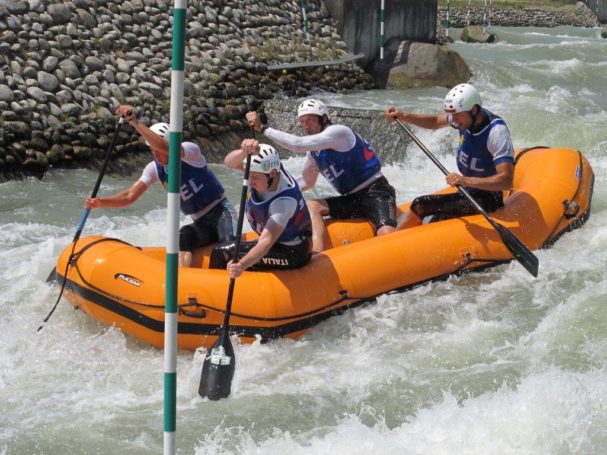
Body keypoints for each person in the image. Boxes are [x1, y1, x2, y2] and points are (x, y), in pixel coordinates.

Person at [84, 105, 236, 267]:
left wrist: (134, 122)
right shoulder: (154, 169)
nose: (155, 154)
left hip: (221, 212)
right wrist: (101, 202)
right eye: (152, 150)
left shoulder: (190, 152)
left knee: (227, 247)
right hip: (200, 222)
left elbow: (166, 148)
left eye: (157, 150)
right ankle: (184, 281)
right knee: (183, 237)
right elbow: (130, 196)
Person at [245, 99, 397, 252]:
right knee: (312, 205)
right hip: (351, 199)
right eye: (303, 122)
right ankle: (317, 253)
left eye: (310, 120)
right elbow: (306, 181)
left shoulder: (339, 133)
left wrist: (263, 128)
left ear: (324, 118)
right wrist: (273, 192)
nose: (306, 126)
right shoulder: (314, 151)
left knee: (386, 233)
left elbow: (297, 144)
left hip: (376, 191)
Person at [384, 83, 514, 228]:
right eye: (451, 115)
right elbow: (434, 121)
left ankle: (389, 243)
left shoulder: (496, 132)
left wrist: (465, 180)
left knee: (421, 204)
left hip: (488, 198)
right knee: (437, 219)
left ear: (474, 109)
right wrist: (404, 116)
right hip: (468, 191)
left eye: (456, 115)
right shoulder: (463, 118)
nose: (453, 120)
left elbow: (506, 181)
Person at [209, 139, 312, 278]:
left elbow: (266, 242)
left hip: (292, 251)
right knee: (226, 247)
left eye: (255, 177)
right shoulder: (265, 170)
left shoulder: (283, 203)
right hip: (277, 242)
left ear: (273, 174)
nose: (250, 181)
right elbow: (228, 162)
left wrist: (241, 265)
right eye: (249, 175)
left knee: (222, 252)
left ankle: (216, 291)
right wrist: (244, 152)